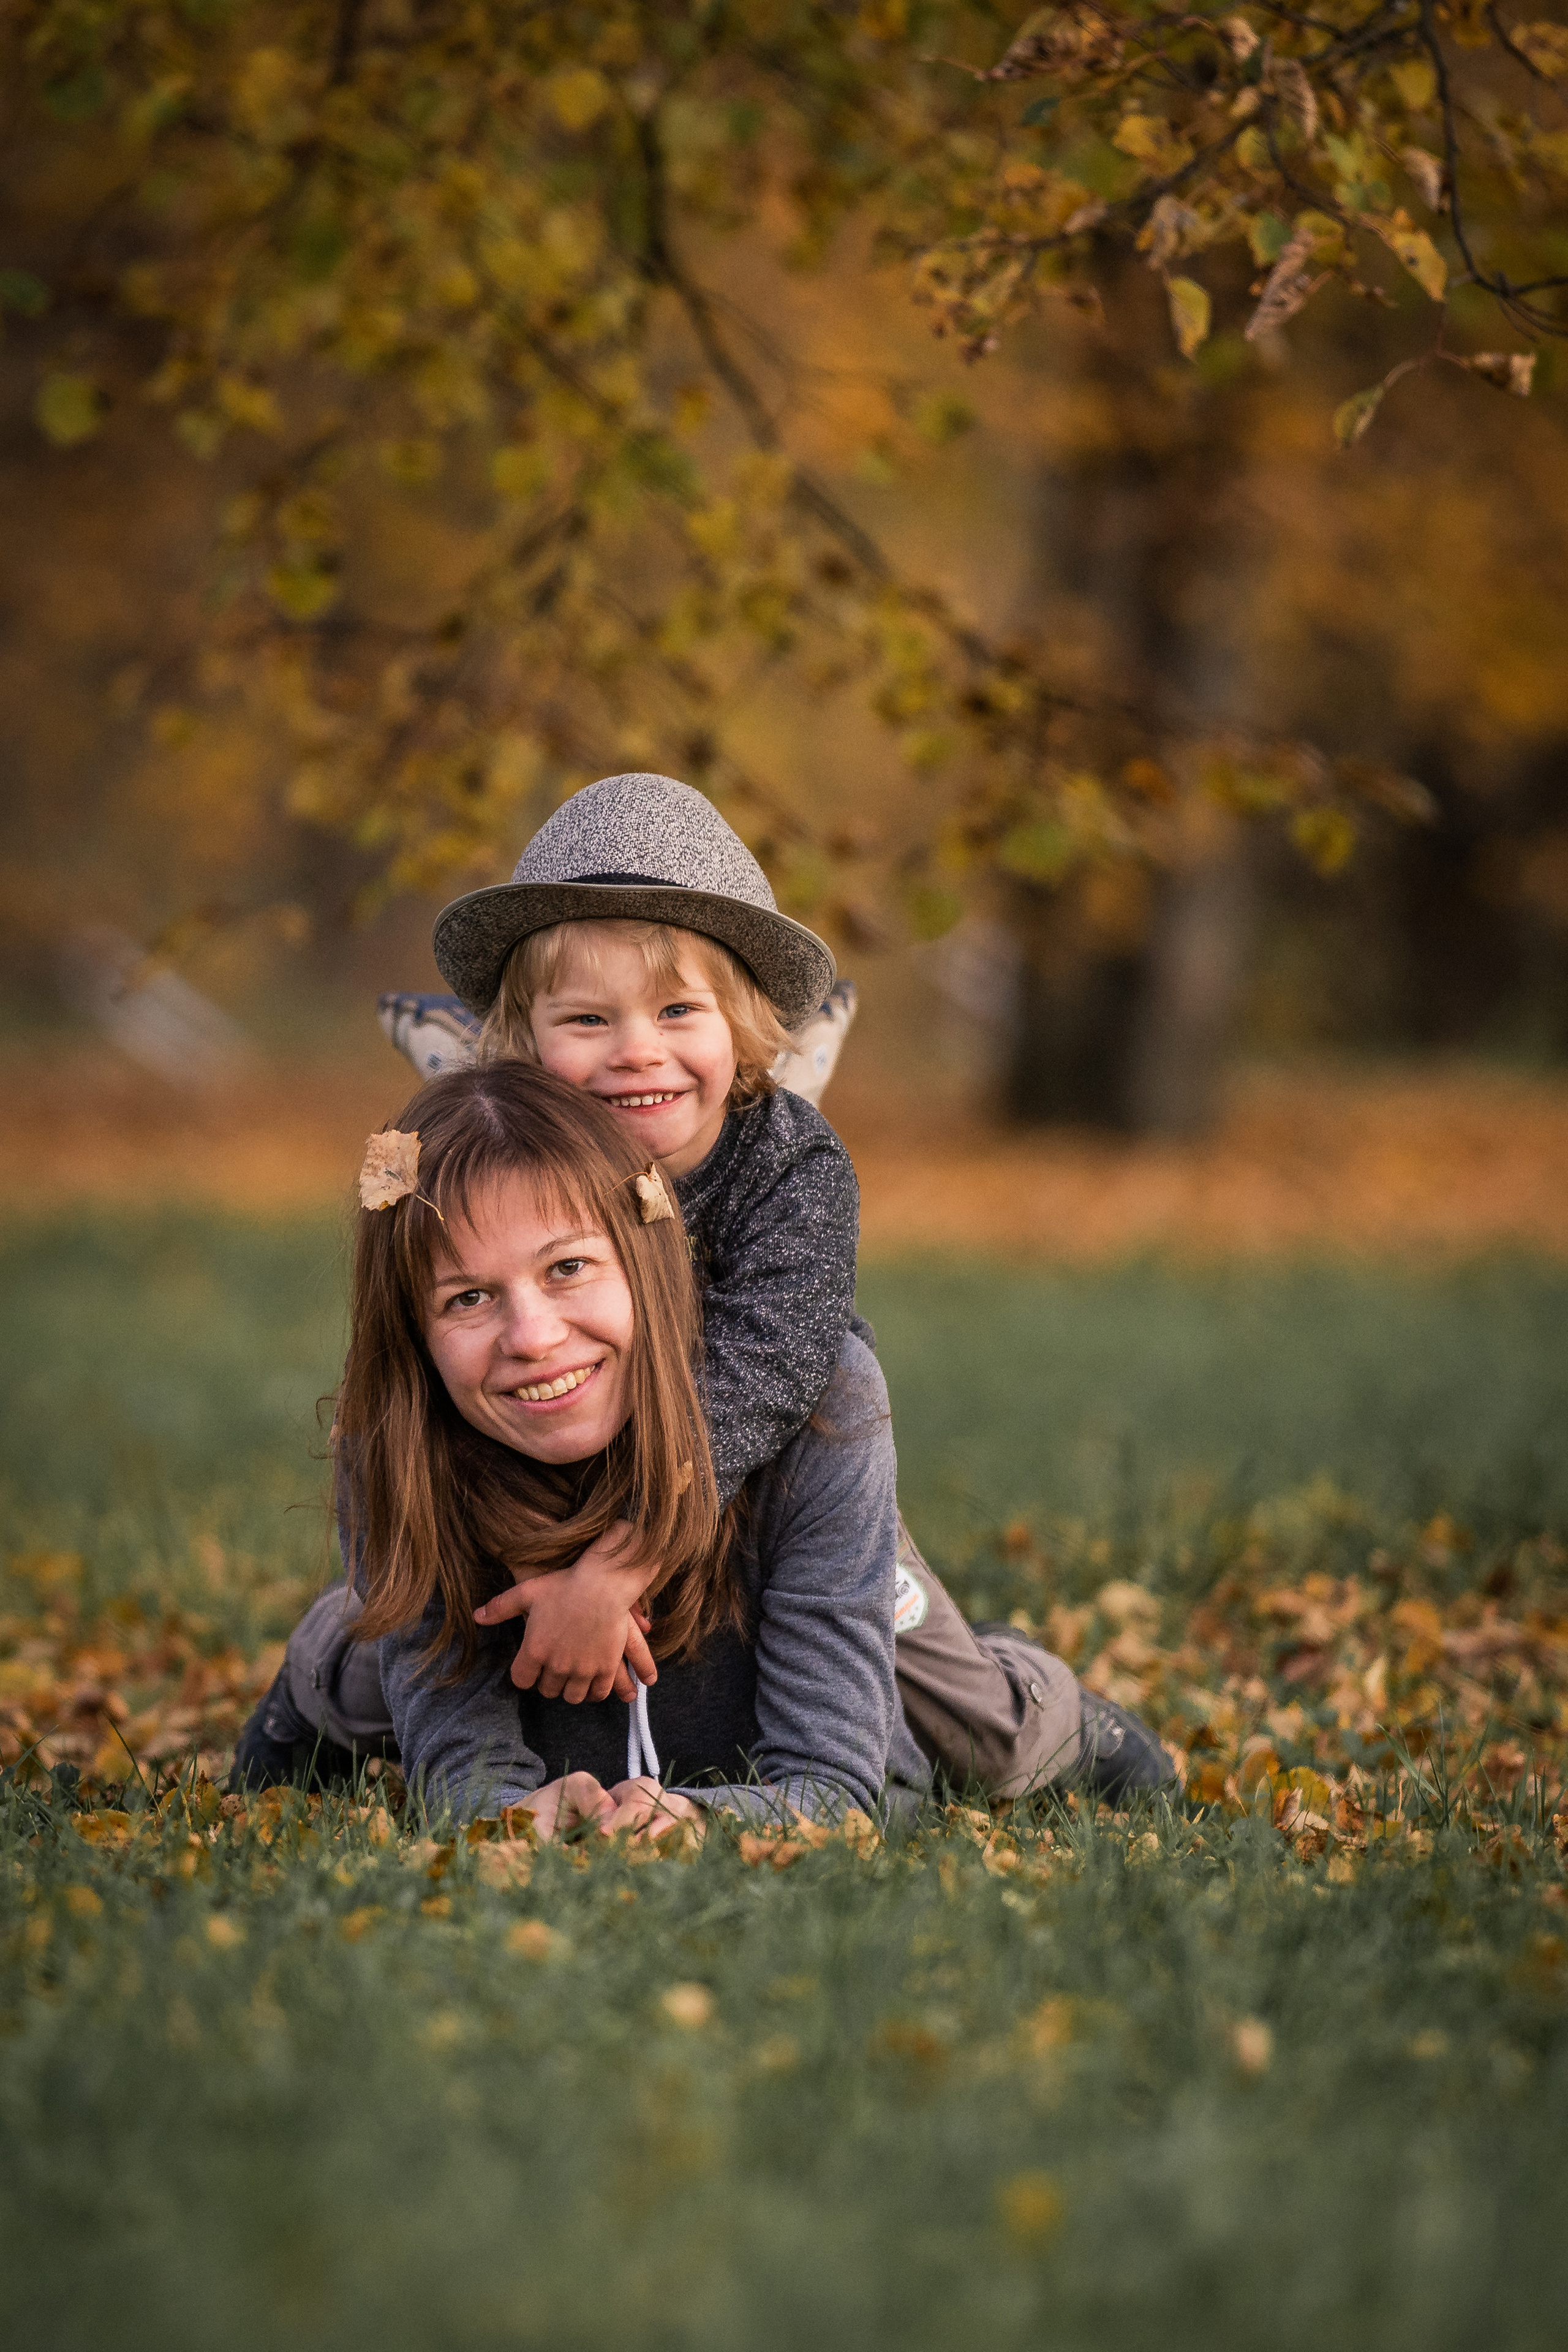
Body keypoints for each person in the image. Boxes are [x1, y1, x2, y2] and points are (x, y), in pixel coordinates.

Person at [236, 772, 1169, 1804]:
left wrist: (625, 1561)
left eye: (678, 1009)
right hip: (542, 1464)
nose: (638, 1049)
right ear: (528, 1043)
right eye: (588, 1019)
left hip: (769, 1464)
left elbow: (776, 1365)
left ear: (743, 1027)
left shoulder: (789, 1164)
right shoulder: (504, 1182)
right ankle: (318, 1684)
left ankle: (1052, 1713)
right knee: (416, 1621)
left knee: (960, 1717)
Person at [238, 1062, 921, 1830]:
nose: (533, 1338)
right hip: (379, 1664)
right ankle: (318, 1665)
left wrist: (700, 1822)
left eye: (568, 1267)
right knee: (358, 1665)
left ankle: (1073, 1725)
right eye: (467, 1298)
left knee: (972, 1706)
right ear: (414, 1335)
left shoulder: (817, 1402)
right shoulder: (395, 1436)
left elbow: (840, 1787)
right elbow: (464, 1773)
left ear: (649, 1264)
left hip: (853, 1608)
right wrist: (512, 1814)